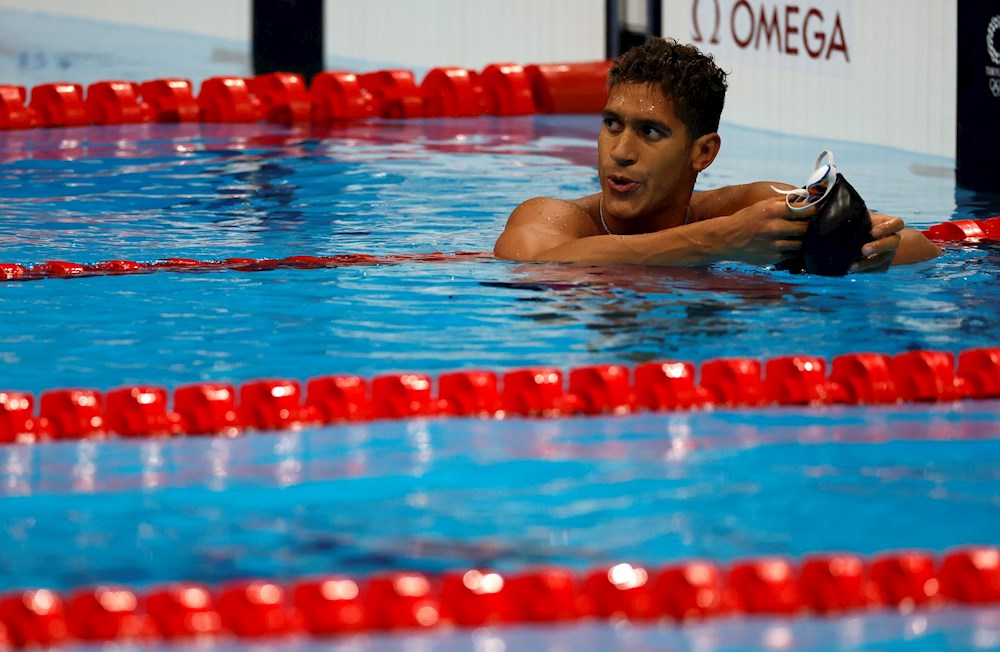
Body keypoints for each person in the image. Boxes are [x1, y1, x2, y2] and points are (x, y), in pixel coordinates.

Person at [494, 39, 942, 271]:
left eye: (650, 132)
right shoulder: (556, 219)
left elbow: (920, 246)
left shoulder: (749, 209)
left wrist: (864, 249)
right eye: (612, 125)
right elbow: (529, 263)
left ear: (703, 152)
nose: (621, 152)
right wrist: (721, 240)